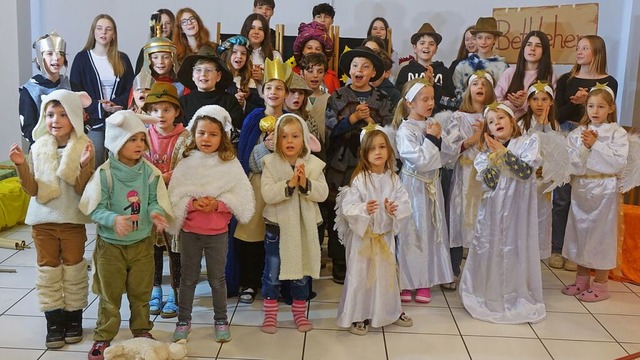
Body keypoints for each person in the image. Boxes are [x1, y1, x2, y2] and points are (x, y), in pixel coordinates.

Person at [79, 110, 172, 360]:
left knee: (141, 293)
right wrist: (113, 219)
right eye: (132, 139)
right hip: (111, 247)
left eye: (142, 139)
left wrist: (155, 214)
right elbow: (95, 208)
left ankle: (142, 330)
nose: (140, 145)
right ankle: (103, 336)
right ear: (117, 141)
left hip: (142, 244)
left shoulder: (150, 173)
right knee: (110, 295)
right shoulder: (105, 174)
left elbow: (153, 201)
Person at [10, 90, 94, 349]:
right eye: (49, 114)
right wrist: (21, 165)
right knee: (48, 271)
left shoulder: (84, 146)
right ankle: (54, 321)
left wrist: (84, 165)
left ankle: (74, 318)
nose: (55, 120)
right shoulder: (38, 147)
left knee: (74, 269)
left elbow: (83, 189)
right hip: (43, 222)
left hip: (71, 220)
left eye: (62, 114)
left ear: (74, 118)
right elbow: (32, 189)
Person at [168, 105, 254, 343]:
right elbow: (176, 194)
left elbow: (241, 197)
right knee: (188, 278)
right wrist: (193, 204)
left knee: (218, 279)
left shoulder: (229, 163)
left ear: (222, 137)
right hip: (190, 232)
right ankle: (183, 320)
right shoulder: (186, 162)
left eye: (213, 134)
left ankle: (220, 319)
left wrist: (217, 205)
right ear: (194, 133)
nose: (206, 138)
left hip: (217, 233)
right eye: (202, 133)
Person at [460, 101, 545, 323]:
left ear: (512, 121)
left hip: (518, 211)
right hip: (494, 212)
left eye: (501, 118)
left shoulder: (528, 142)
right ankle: (490, 293)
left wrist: (503, 153)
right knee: (493, 247)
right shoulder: (483, 154)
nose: (496, 123)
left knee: (516, 248)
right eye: (490, 121)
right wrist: (494, 155)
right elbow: (490, 180)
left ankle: (517, 294)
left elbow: (525, 172)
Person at [335, 127, 413, 335]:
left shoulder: (394, 179)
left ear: (389, 150)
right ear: (364, 153)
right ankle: (358, 315)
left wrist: (394, 209)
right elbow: (349, 207)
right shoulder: (361, 179)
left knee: (386, 276)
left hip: (385, 237)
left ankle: (389, 311)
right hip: (364, 241)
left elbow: (405, 202)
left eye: (382, 147)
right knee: (361, 276)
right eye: (372, 149)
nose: (378, 152)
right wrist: (364, 210)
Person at [325, 46, 393, 284]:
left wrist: (370, 121)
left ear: (374, 72)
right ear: (349, 70)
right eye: (355, 66)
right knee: (342, 210)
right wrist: (352, 119)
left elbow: (387, 133)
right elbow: (329, 130)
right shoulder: (337, 96)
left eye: (365, 66)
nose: (359, 70)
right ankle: (340, 264)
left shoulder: (383, 99)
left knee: (371, 209)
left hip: (371, 166)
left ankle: (370, 260)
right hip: (342, 165)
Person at [551, 35, 618, 271]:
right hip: (568, 134)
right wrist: (578, 102)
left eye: (585, 48)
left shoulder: (609, 81)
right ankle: (558, 248)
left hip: (595, 137)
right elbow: (558, 114)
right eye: (577, 48)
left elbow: (605, 109)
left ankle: (578, 252)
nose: (579, 52)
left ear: (597, 52)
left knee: (585, 201)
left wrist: (587, 102)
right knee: (562, 197)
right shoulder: (565, 79)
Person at [260, 113, 329, 334]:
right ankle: (270, 315)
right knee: (272, 273)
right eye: (284, 136)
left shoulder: (314, 165)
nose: (289, 141)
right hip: (277, 229)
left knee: (302, 273)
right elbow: (268, 194)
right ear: (277, 140)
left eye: (295, 136)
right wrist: (289, 184)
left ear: (305, 139)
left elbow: (323, 193)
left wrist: (305, 183)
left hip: (304, 228)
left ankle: (299, 313)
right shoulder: (270, 163)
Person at [562, 84, 628, 302]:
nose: (595, 111)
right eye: (591, 106)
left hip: (604, 189)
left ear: (610, 108)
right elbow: (571, 160)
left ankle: (600, 283)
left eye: (600, 106)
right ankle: (581, 279)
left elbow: (618, 162)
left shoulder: (617, 133)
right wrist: (583, 149)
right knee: (580, 232)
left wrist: (596, 145)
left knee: (600, 235)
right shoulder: (578, 132)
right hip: (582, 187)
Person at [393, 79, 455, 303]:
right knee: (411, 232)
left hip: (431, 187)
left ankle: (425, 280)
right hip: (412, 187)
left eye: (432, 99)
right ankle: (406, 280)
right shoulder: (405, 129)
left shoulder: (433, 124)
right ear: (410, 103)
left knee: (430, 231)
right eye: (425, 99)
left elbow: (447, 156)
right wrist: (431, 138)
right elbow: (418, 160)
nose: (431, 103)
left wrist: (437, 137)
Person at [235, 57, 291, 304]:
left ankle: (276, 281)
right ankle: (249, 281)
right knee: (251, 234)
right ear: (262, 91)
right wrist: (263, 148)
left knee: (279, 237)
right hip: (256, 184)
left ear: (286, 93)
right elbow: (245, 157)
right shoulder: (253, 118)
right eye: (269, 87)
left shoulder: (291, 120)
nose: (273, 92)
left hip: (282, 185)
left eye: (279, 88)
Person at [442, 71, 496, 291]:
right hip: (464, 176)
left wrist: (486, 137)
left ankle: (480, 273)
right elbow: (449, 148)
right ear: (468, 89)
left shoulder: (495, 116)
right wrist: (472, 140)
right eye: (475, 83)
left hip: (486, 178)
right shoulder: (458, 117)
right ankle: (453, 269)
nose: (479, 86)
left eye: (484, 83)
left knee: (483, 221)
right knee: (458, 219)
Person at [142, 82, 190, 319]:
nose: (160, 115)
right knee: (152, 247)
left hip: (174, 201)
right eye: (155, 110)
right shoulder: (142, 135)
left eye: (166, 110)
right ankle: (154, 289)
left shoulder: (184, 137)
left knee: (175, 248)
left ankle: (175, 291)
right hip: (149, 200)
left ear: (176, 112)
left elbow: (189, 166)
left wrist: (165, 176)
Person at [70, 14, 134, 168]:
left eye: (108, 29)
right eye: (99, 28)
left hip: (119, 120)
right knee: (95, 161)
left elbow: (131, 89)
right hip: (93, 122)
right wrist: (98, 106)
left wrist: (115, 104)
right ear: (94, 32)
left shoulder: (122, 59)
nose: (103, 32)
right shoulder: (82, 58)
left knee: (122, 163)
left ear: (113, 35)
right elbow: (75, 90)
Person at [518, 81, 560, 261]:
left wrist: (548, 169)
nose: (540, 104)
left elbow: (557, 152)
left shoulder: (554, 125)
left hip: (544, 181)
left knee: (541, 216)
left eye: (544, 99)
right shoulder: (521, 124)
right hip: (526, 180)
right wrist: (538, 128)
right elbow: (521, 148)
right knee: (523, 217)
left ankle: (536, 255)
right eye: (535, 99)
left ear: (551, 102)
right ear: (528, 102)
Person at [20, 32, 79, 146]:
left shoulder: (73, 87)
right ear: (39, 58)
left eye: (60, 53)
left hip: (70, 149)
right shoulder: (29, 91)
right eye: (50, 53)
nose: (56, 58)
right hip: (42, 150)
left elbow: (85, 116)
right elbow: (27, 128)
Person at [176, 49, 243, 132]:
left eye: (209, 70)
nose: (203, 74)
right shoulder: (183, 102)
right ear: (192, 75)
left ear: (218, 76)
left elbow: (235, 129)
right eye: (198, 70)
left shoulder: (229, 101)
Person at [395, 23, 456, 114]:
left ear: (436, 49)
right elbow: (399, 97)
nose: (426, 46)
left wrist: (434, 85)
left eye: (431, 44)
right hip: (411, 117)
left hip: (437, 118)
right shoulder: (406, 71)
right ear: (415, 48)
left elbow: (451, 102)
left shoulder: (444, 71)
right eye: (422, 43)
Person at [494, 31, 556, 119]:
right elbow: (496, 104)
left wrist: (525, 103)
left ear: (544, 51)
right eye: (529, 44)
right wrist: (513, 104)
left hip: (537, 128)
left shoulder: (550, 76)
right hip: (510, 127)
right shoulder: (510, 73)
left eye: (538, 46)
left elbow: (551, 108)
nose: (532, 48)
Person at [453, 17, 509, 101]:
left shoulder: (503, 67)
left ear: (495, 39)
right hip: (468, 111)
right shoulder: (462, 66)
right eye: (479, 37)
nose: (483, 42)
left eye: (488, 38)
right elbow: (458, 93)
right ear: (475, 39)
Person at [218, 35, 263, 116]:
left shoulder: (248, 81)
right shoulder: (217, 79)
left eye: (243, 53)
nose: (239, 56)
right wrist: (232, 101)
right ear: (226, 55)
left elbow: (259, 108)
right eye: (234, 52)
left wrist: (244, 104)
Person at [291, 21, 340, 94]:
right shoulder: (291, 74)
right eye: (309, 48)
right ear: (302, 51)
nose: (313, 51)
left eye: (318, 49)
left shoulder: (331, 78)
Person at [241, 13, 282, 94]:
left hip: (266, 101)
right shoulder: (237, 54)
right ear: (246, 30)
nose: (256, 32)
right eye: (252, 28)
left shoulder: (274, 56)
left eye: (260, 29)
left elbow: (282, 84)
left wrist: (264, 78)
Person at [300, 53, 331, 145]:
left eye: (320, 72)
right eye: (310, 71)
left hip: (322, 149)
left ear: (324, 74)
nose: (315, 75)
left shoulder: (329, 99)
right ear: (301, 73)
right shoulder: (297, 98)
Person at [135, 9, 175, 74]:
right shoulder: (146, 50)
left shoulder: (178, 49)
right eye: (160, 23)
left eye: (168, 23)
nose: (164, 26)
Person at [367, 17, 400, 82]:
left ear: (387, 33)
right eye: (375, 28)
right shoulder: (363, 50)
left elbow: (394, 74)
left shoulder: (392, 54)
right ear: (370, 32)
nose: (378, 31)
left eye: (382, 29)